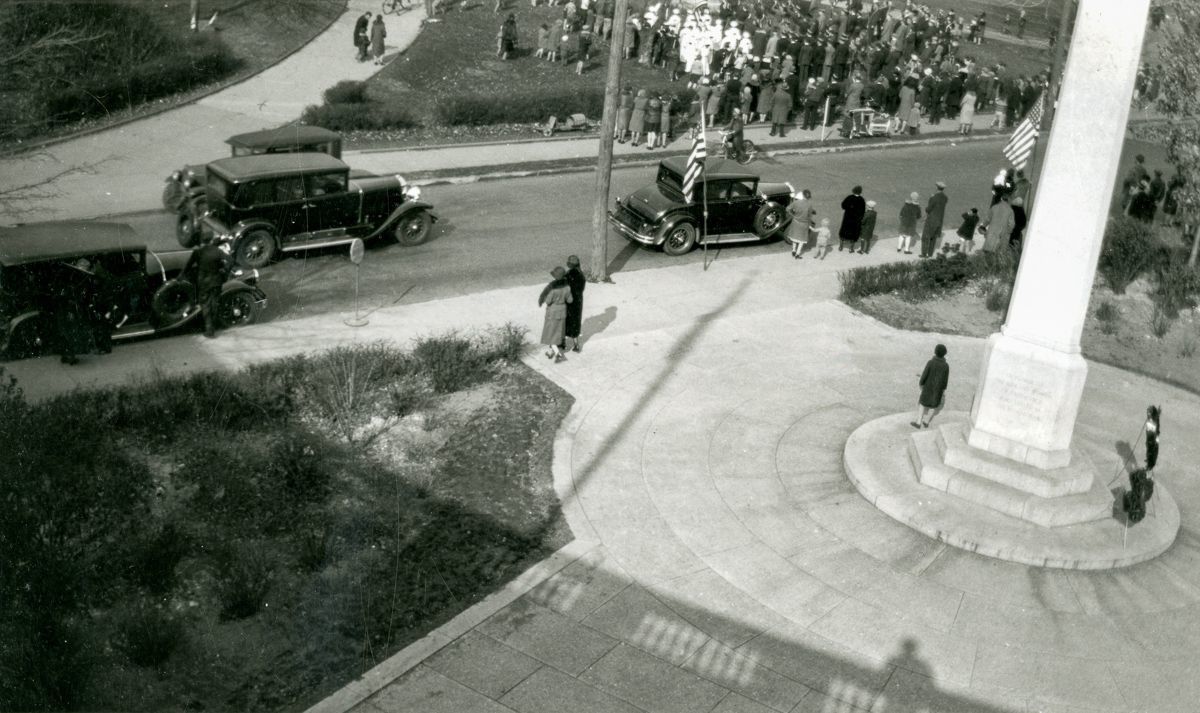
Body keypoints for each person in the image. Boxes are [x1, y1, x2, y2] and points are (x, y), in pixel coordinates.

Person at [184, 235, 232, 339]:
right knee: (214, 303)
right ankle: (213, 327)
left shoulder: (198, 252)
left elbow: (188, 266)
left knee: (205, 305)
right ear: (211, 240)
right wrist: (225, 271)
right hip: (216, 281)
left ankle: (209, 329)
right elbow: (230, 261)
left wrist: (180, 277)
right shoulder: (218, 251)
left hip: (203, 282)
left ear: (202, 241)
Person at [538, 266, 573, 363]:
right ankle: (550, 352)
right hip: (562, 312)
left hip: (553, 312)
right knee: (558, 332)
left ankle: (558, 354)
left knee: (551, 333)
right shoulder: (567, 288)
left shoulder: (553, 289)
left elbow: (548, 301)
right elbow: (570, 300)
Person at [912, 343, 949, 429]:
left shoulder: (931, 362)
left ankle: (918, 422)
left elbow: (925, 374)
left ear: (935, 352)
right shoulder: (946, 366)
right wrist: (943, 389)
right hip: (938, 389)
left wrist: (921, 383)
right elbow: (945, 380)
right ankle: (926, 422)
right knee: (934, 405)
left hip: (928, 387)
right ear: (944, 354)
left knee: (922, 403)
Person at [563, 255, 586, 352]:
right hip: (578, 302)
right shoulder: (581, 274)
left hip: (568, 302)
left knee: (564, 322)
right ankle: (576, 345)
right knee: (575, 322)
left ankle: (563, 343)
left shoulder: (568, 275)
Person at [920, 181, 948, 258]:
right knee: (933, 237)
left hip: (931, 220)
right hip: (939, 220)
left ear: (936, 187)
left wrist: (931, 198)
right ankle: (930, 254)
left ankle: (924, 254)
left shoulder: (934, 197)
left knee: (926, 237)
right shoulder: (945, 198)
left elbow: (928, 209)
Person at [786, 188, 815, 259]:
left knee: (794, 238)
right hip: (804, 224)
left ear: (803, 195)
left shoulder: (797, 202)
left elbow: (787, 209)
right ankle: (797, 254)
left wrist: (793, 214)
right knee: (801, 240)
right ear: (809, 197)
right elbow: (809, 216)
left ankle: (793, 250)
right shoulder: (809, 205)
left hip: (795, 222)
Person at [838, 185, 866, 253]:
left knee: (844, 232)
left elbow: (843, 205)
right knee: (853, 234)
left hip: (847, 218)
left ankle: (841, 246)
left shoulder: (849, 197)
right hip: (856, 220)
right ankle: (851, 248)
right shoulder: (862, 200)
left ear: (853, 190)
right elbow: (863, 211)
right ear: (860, 192)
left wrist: (849, 207)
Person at [1145, 405, 1162, 474]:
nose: (1148, 414)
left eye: (1149, 413)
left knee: (1153, 454)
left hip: (1154, 440)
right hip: (1150, 440)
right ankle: (1149, 466)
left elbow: (1156, 430)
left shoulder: (1155, 421)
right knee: (1149, 453)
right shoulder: (1149, 421)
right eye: (1147, 413)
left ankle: (1150, 467)